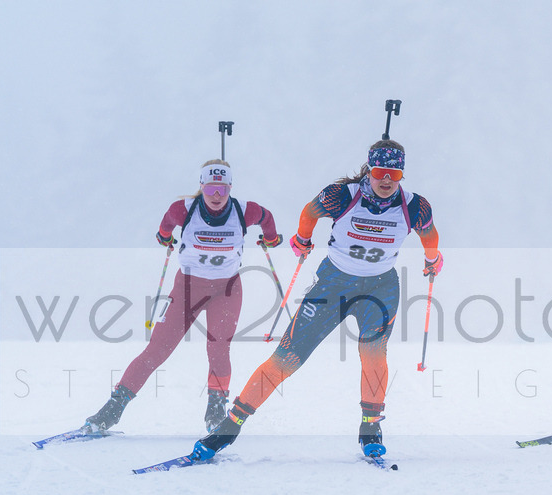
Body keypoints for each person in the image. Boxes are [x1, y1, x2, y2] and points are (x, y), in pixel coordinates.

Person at [188, 139, 442, 461]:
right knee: (286, 358)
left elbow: (429, 234)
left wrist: (432, 259)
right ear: (369, 170)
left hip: (380, 288)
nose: (387, 180)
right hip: (334, 284)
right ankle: (228, 427)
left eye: (395, 174)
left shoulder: (414, 206)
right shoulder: (342, 196)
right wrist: (302, 238)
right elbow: (310, 212)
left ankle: (371, 428)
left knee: (373, 355)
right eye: (380, 172)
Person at [84, 159, 282, 433]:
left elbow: (266, 217)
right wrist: (164, 236)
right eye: (210, 188)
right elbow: (166, 224)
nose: (216, 195)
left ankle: (215, 410)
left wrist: (271, 238)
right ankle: (112, 409)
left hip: (226, 290)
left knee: (218, 348)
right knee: (157, 350)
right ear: (201, 186)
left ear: (230, 188)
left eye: (222, 189)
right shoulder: (184, 210)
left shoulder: (244, 210)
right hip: (188, 288)